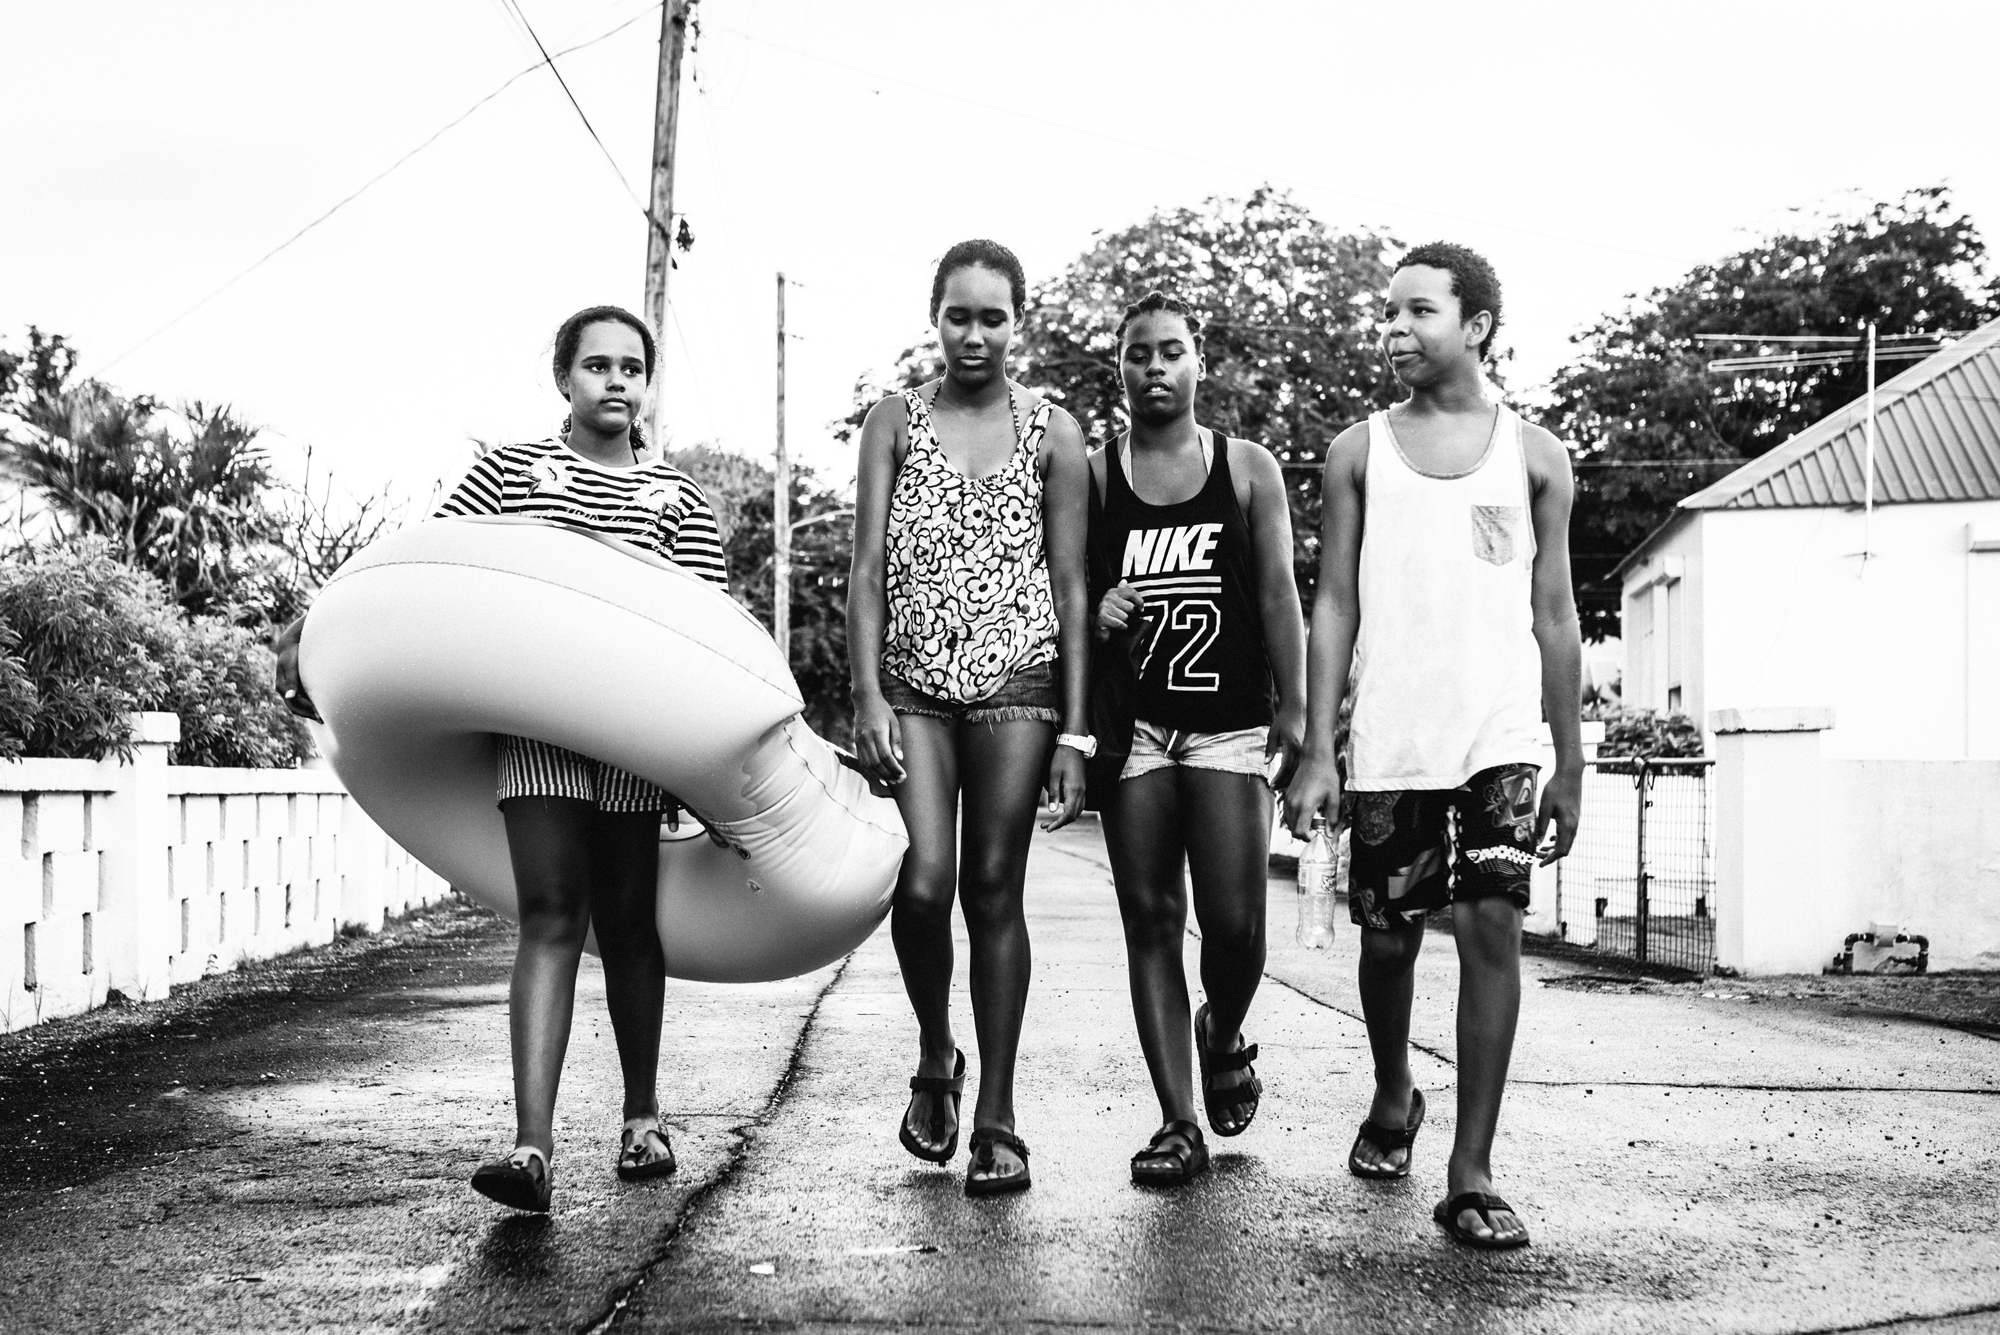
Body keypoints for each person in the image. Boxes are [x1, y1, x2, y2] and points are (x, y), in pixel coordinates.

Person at [275, 305, 730, 1213]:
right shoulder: (512, 474)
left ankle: (642, 1118)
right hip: (538, 735)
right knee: (553, 913)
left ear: (648, 382)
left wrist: (708, 767)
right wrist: (320, 625)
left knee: (632, 924)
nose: (615, 380)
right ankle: (532, 1147)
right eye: (595, 365)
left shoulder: (678, 500)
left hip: (636, 737)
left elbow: (705, 631)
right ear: (562, 377)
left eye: (631, 367)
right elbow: (430, 563)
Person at [1284, 244, 1583, 1250]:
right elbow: (1330, 603)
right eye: (1387, 314)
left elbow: (1554, 617)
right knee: (1387, 938)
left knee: (1490, 927)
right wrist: (1320, 749)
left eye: (1417, 311)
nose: (1394, 330)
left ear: (1477, 324)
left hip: (1498, 738)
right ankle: (1393, 1087)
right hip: (1389, 741)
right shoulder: (1356, 452)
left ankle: (1471, 1167)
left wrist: (1568, 763)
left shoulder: (1535, 458)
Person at [848, 239, 1091, 1197]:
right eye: (960, 315)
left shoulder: (1054, 430)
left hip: (1018, 682)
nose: (976, 333)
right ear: (935, 317)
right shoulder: (893, 421)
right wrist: (865, 692)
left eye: (994, 317)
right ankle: (935, 1052)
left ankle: (998, 1116)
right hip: (911, 686)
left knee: (993, 886)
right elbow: (866, 568)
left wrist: (1076, 728)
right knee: (921, 884)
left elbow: (1071, 582)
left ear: (1017, 324)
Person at [1086, 292, 1306, 1184]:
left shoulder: (1246, 467)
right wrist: (1095, 614)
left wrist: (1298, 710)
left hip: (1229, 725)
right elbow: (1067, 582)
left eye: (1171, 351)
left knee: (1237, 922)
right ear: (1121, 369)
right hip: (1134, 730)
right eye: (1138, 355)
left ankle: (1220, 1026)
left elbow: (1283, 591)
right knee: (1150, 920)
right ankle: (1178, 1119)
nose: (1155, 369)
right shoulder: (1099, 474)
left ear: (1199, 360)